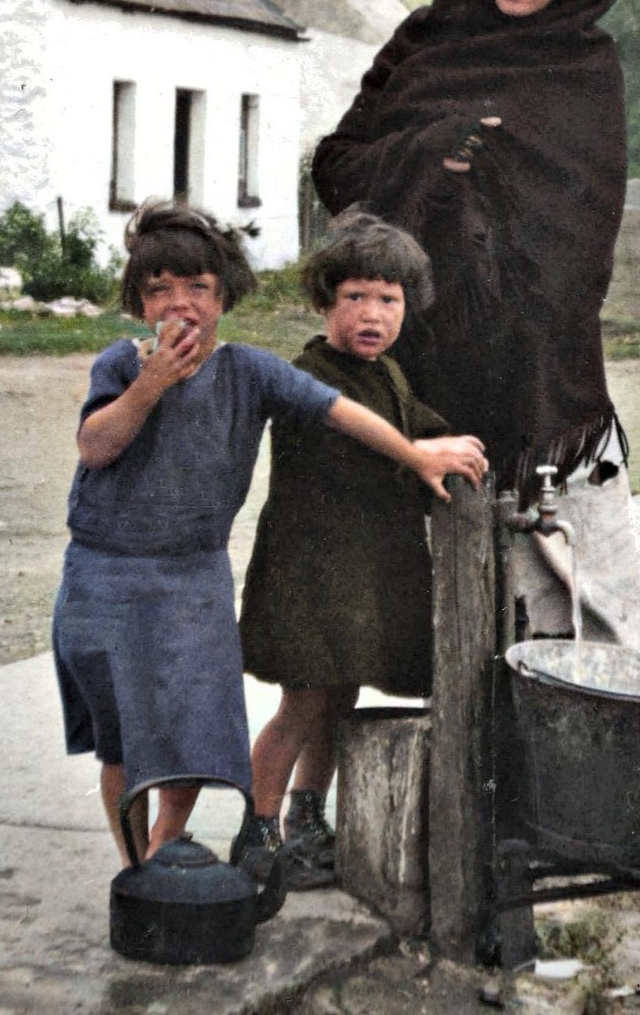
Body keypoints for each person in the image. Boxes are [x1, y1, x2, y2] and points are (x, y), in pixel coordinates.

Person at [52, 200, 487, 866]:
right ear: (140, 304)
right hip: (108, 574)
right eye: (160, 289)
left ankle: (169, 849)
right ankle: (137, 870)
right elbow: (94, 447)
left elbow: (340, 411)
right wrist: (150, 384)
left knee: (195, 733)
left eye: (197, 287)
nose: (181, 304)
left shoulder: (250, 370)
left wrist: (420, 452)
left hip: (195, 573)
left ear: (223, 296)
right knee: (125, 740)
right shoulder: (120, 363)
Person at [312, 0, 640, 648]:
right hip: (420, 360)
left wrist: (498, 189)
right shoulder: (427, 40)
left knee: (562, 592)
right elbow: (336, 163)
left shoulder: (583, 65)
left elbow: (584, 218)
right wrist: (432, 154)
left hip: (537, 373)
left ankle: (573, 731)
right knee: (435, 602)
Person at [237, 209, 488, 887]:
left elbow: (413, 426)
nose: (370, 314)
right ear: (323, 302)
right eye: (353, 298)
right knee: (302, 703)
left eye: (388, 299)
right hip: (311, 570)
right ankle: (256, 830)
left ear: (407, 308)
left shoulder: (387, 375)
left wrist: (446, 443)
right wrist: (418, 454)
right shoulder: (310, 376)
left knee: (338, 701)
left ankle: (307, 817)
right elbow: (352, 453)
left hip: (359, 572)